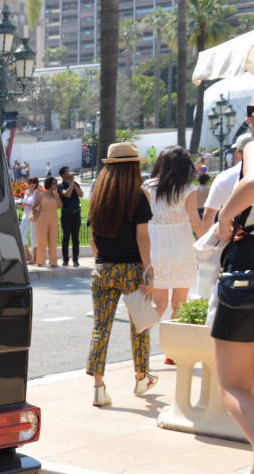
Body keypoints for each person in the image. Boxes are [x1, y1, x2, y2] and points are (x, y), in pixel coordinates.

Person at [211, 85, 254, 474]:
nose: (247, 117)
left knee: (232, 384)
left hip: (249, 268)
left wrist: (224, 214)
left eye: (252, 109)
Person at [87, 142, 156, 407]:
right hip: (131, 270)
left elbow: (94, 239)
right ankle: (141, 378)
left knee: (100, 329)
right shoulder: (137, 196)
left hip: (103, 268)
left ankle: (99, 388)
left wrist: (102, 263)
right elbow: (142, 236)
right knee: (140, 324)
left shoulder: (98, 196)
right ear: (133, 167)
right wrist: (148, 272)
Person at [143, 147, 204, 325]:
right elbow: (196, 223)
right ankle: (173, 350)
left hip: (156, 245)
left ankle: (141, 344)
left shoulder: (148, 186)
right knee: (180, 305)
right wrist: (210, 244)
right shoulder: (188, 189)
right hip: (181, 245)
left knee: (158, 303)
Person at [203, 135, 254, 230]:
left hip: (232, 236)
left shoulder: (223, 177)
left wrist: (213, 241)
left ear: (238, 153)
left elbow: (208, 216)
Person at [32, 176, 62, 267]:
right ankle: (40, 261)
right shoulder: (41, 195)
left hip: (53, 217)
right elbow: (34, 206)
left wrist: (56, 195)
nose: (55, 185)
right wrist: (37, 215)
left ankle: (53, 261)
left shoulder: (56, 195)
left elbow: (60, 206)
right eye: (53, 183)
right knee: (41, 240)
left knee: (53, 240)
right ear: (49, 184)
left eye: (56, 183)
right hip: (42, 218)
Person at [58, 166, 84, 267]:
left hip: (76, 213)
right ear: (63, 175)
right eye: (68, 172)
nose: (70, 173)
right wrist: (71, 183)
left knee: (76, 238)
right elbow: (67, 194)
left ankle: (76, 260)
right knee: (66, 237)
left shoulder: (75, 184)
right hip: (67, 215)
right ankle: (65, 259)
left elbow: (81, 194)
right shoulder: (60, 186)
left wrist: (73, 183)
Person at [19, 177, 39, 264]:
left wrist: (25, 205)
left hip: (33, 216)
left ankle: (35, 258)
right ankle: (27, 254)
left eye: (30, 182)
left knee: (33, 237)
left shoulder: (37, 193)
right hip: (25, 216)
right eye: (28, 182)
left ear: (35, 184)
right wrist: (22, 204)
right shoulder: (26, 192)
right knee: (21, 234)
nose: (28, 184)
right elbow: (25, 204)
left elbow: (37, 207)